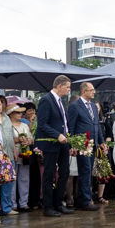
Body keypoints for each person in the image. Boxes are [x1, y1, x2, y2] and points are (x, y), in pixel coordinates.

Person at [36, 75, 74, 217]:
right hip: (50, 143)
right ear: (59, 86)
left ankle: (58, 203)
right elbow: (42, 124)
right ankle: (48, 206)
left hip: (63, 143)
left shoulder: (61, 101)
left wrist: (70, 140)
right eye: (67, 87)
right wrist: (57, 135)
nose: (69, 90)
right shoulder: (46, 100)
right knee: (49, 174)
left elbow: (65, 122)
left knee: (65, 173)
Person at [67, 82, 107, 211]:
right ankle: (85, 201)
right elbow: (71, 126)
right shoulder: (74, 106)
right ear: (84, 91)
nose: (94, 92)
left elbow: (97, 125)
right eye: (91, 90)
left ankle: (83, 199)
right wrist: (72, 144)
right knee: (85, 170)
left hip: (93, 143)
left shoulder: (93, 106)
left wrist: (101, 142)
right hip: (82, 143)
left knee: (88, 171)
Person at [0, 96, 17, 216]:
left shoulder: (6, 118)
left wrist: (14, 152)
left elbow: (11, 137)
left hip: (9, 155)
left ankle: (6, 208)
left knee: (8, 182)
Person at [8, 104, 32, 211]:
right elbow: (6, 139)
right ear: (11, 114)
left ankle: (24, 203)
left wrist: (28, 141)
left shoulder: (24, 125)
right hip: (13, 153)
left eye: (21, 112)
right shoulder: (8, 125)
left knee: (25, 178)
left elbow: (31, 138)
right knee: (12, 179)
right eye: (17, 112)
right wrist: (17, 140)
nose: (20, 114)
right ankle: (13, 204)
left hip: (25, 153)